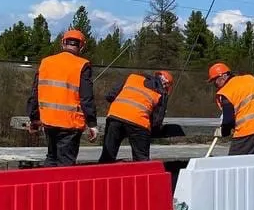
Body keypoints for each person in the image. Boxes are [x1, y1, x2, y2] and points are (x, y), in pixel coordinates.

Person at [26, 29, 97, 166]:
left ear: (63, 43)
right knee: (65, 163)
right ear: (81, 46)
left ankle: (46, 187)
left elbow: (35, 93)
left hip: (48, 120)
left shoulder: (46, 62)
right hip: (70, 123)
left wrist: (34, 119)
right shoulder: (83, 65)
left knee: (51, 158)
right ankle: (61, 187)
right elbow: (86, 98)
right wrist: (92, 124)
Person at [98, 69, 172, 163]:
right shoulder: (161, 91)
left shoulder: (132, 77)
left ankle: (102, 175)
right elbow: (157, 120)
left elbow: (110, 96)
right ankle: (141, 176)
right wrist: (153, 132)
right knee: (141, 160)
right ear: (166, 84)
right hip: (139, 122)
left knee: (107, 155)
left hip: (115, 116)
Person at [208, 62, 254, 155]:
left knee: (235, 165)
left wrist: (223, 131)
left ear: (223, 76)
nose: (215, 84)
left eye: (214, 80)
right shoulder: (250, 79)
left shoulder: (226, 91)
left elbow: (228, 121)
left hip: (247, 133)